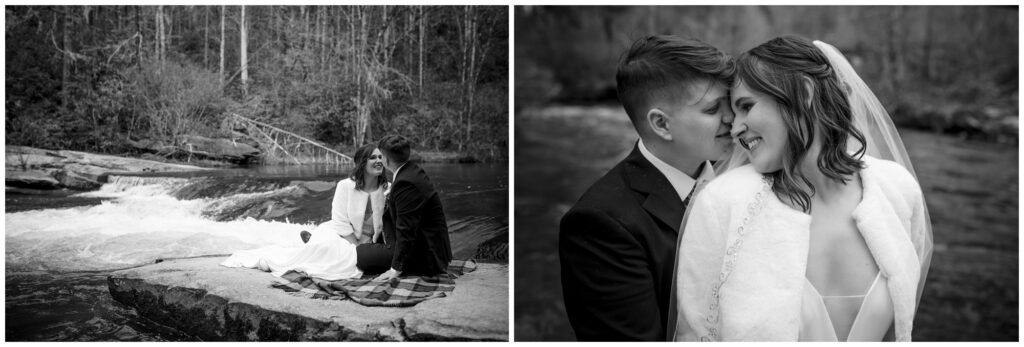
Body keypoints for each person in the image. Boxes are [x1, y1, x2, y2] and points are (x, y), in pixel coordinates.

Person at [673, 36, 933, 342]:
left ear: (804, 94)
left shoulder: (898, 189)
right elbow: (695, 334)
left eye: (746, 106)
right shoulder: (722, 202)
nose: (734, 127)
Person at [558, 35, 736, 341]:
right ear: (662, 125)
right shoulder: (600, 225)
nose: (732, 118)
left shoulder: (744, 176)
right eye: (712, 110)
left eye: (731, 103)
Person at [220, 144, 387, 280]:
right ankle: (276, 260)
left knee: (347, 262)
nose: (379, 160)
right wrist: (356, 245)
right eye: (373, 157)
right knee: (330, 254)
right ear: (362, 163)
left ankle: (310, 240)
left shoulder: (387, 189)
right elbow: (340, 220)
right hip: (342, 234)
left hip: (369, 241)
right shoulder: (346, 186)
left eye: (380, 157)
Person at [355, 135, 453, 280]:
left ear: (386, 160)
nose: (379, 161)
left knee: (360, 254)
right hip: (426, 243)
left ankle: (402, 264)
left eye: (380, 156)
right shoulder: (412, 170)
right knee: (369, 245)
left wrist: (395, 270)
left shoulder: (405, 183)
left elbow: (407, 231)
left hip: (425, 256)